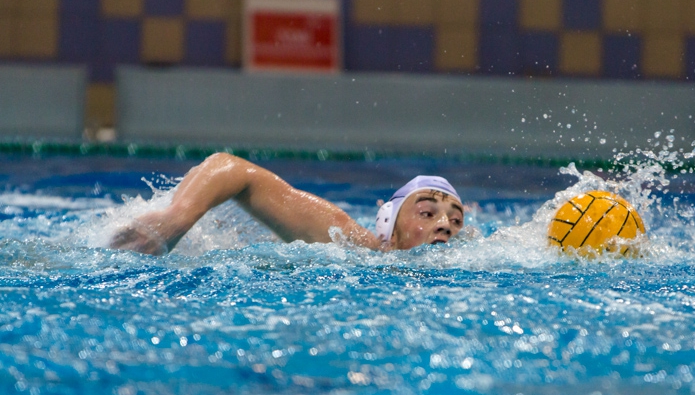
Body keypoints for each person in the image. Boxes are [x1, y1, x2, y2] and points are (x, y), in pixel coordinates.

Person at [108, 152, 465, 255]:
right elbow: (233, 168)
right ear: (388, 225)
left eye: (455, 219)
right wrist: (176, 219)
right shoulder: (349, 244)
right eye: (427, 213)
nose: (445, 224)